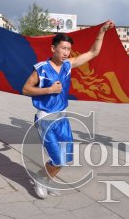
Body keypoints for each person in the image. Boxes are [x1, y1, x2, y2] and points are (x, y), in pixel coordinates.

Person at [22, 21, 115, 199]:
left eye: (68, 49)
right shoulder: (41, 69)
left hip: (62, 118)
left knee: (65, 157)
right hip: (46, 118)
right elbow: (25, 89)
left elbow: (93, 52)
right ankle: (41, 179)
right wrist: (48, 90)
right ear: (53, 48)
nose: (66, 52)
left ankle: (46, 179)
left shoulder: (67, 65)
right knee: (57, 158)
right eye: (63, 48)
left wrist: (101, 31)